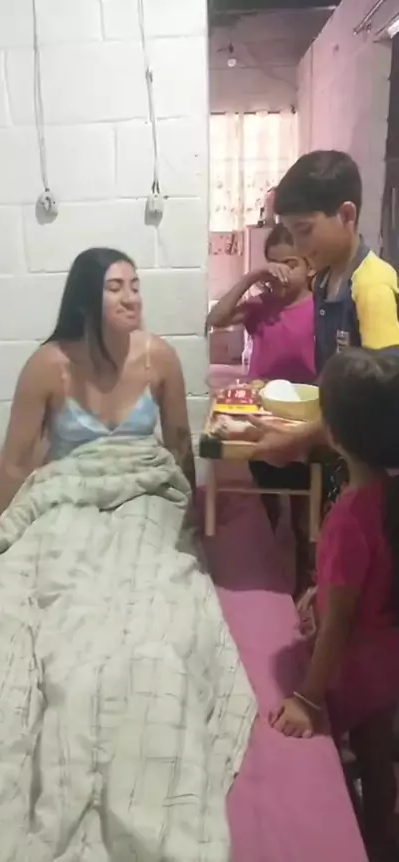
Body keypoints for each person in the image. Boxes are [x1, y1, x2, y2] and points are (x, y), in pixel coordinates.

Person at [270, 347, 399, 862]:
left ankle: (357, 833)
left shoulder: (349, 516)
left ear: (336, 434)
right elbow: (370, 580)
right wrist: (321, 590)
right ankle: (384, 836)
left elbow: (340, 623)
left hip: (355, 666)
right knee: (379, 754)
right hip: (389, 656)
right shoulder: (388, 493)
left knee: (350, 749)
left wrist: (307, 698)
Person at [0, 247, 195, 531]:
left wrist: (191, 518)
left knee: (146, 548)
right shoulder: (47, 365)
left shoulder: (158, 356)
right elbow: (16, 461)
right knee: (60, 549)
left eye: (135, 287)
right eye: (115, 288)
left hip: (143, 488)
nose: (131, 299)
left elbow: (180, 444)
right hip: (69, 491)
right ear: (83, 303)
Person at [252, 151, 399, 507]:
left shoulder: (371, 284)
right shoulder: (324, 280)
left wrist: (300, 439)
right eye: (292, 234)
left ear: (347, 215)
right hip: (342, 453)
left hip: (374, 470)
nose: (300, 246)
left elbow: (379, 395)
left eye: (305, 231)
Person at [207, 223, 315, 592]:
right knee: (267, 495)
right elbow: (216, 319)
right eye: (274, 265)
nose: (282, 274)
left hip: (304, 415)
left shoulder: (320, 307)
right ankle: (266, 573)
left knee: (305, 508)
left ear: (309, 265)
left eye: (291, 264)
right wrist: (253, 276)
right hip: (261, 412)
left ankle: (305, 580)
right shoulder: (260, 307)